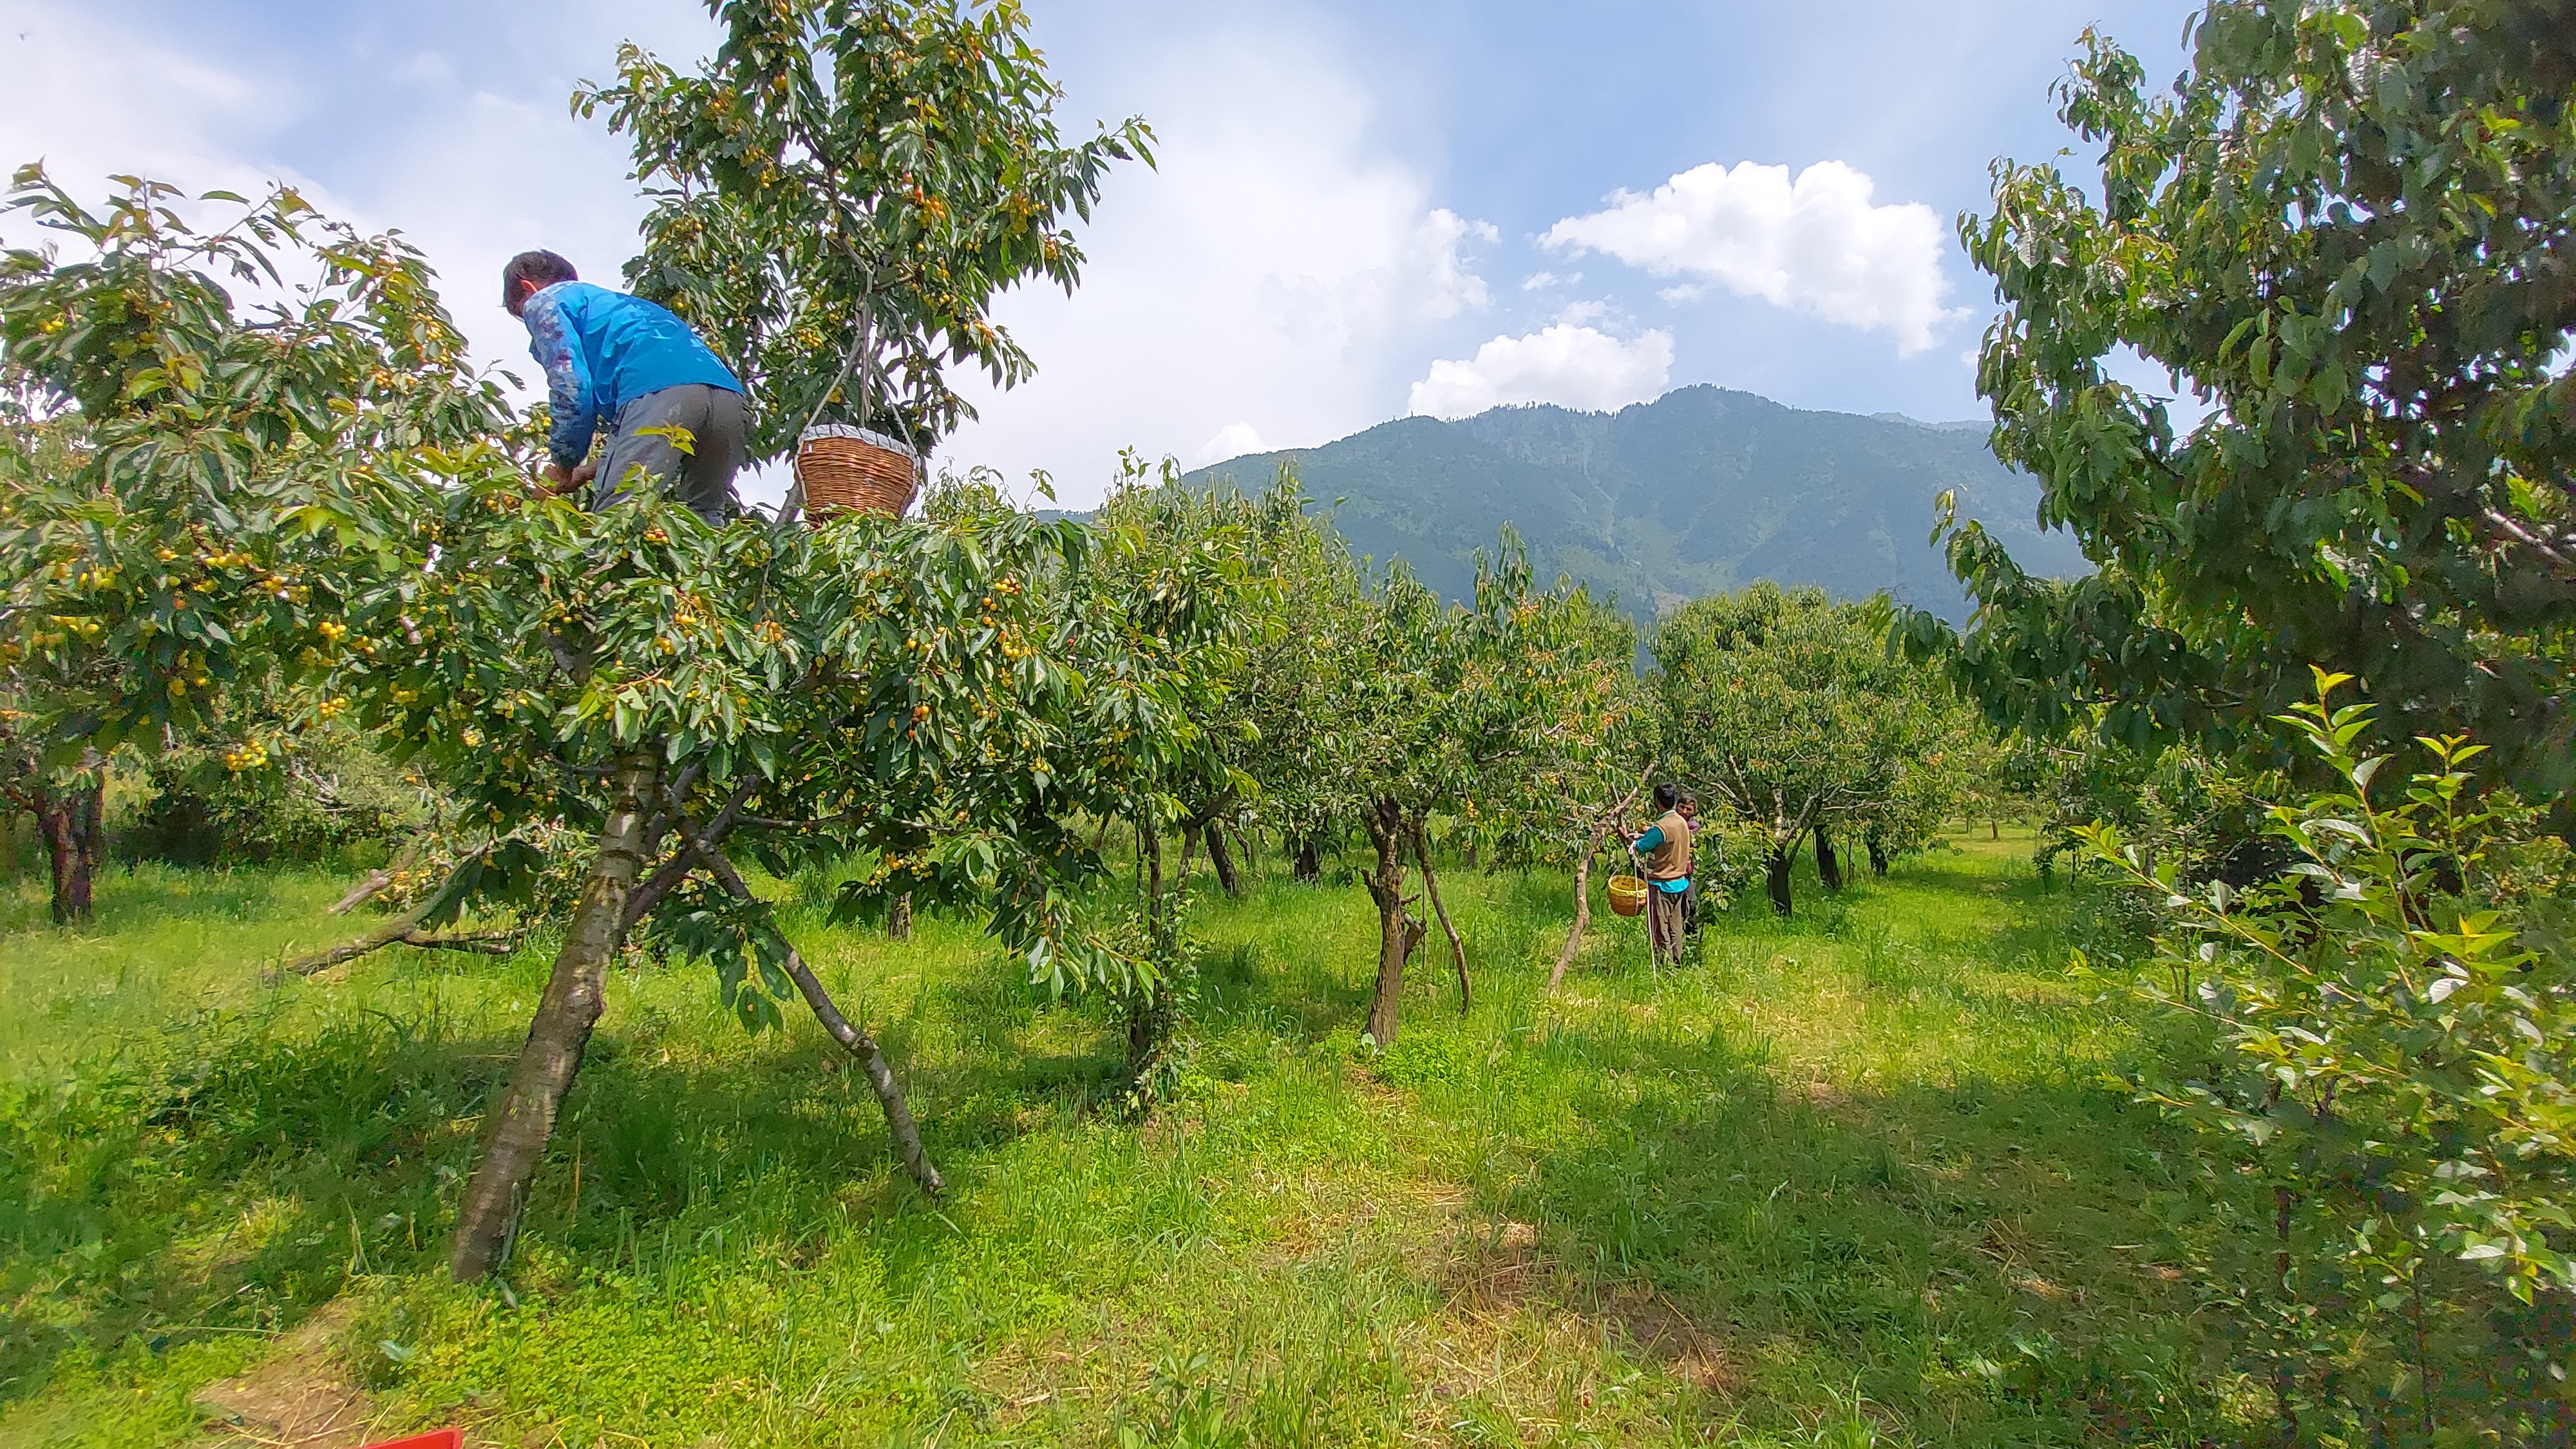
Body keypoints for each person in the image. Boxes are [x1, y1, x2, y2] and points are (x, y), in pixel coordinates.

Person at [502, 250, 748, 524]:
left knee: (618, 518)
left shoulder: (544, 301)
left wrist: (563, 465)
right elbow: (645, 432)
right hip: (728, 395)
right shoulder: (616, 306)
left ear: (528, 287)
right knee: (705, 517)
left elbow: (570, 387)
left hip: (656, 390)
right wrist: (584, 473)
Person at [1624, 782, 1694, 965]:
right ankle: (1677, 963)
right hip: (1679, 883)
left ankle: (1664, 965)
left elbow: (1639, 847)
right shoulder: (1681, 822)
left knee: (1660, 928)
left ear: (1657, 801)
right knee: (1675, 927)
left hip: (1661, 885)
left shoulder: (1662, 827)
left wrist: (1626, 836)